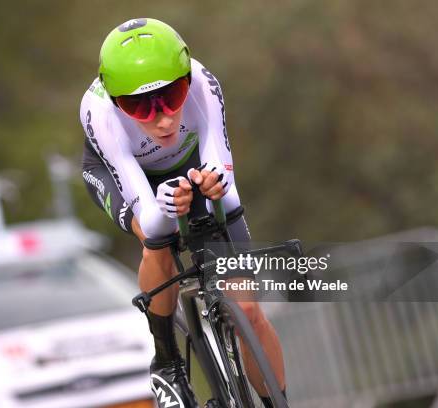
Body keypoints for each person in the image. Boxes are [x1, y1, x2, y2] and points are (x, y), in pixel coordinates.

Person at [80, 18, 287, 408]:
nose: (162, 117)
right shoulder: (98, 111)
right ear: (115, 98)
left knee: (248, 311)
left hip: (191, 165)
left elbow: (226, 189)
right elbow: (155, 219)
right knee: (154, 240)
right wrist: (166, 204)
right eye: (138, 106)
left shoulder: (204, 82)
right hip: (129, 179)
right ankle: (167, 359)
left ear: (186, 77)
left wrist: (214, 186)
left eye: (172, 96)